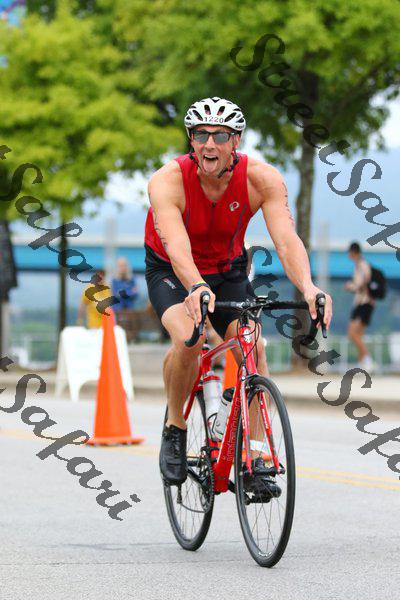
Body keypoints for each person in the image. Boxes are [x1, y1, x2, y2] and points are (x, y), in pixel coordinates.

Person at [144, 96, 332, 486]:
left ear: (236, 141)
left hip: (227, 268)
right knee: (190, 337)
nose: (209, 144)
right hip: (172, 269)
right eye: (201, 135)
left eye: (220, 135)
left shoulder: (262, 179)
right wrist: (195, 285)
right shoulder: (167, 181)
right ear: (191, 140)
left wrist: (309, 286)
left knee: (254, 347)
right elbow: (177, 246)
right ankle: (175, 428)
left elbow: (286, 241)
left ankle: (257, 457)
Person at [345, 241, 375, 370]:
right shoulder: (359, 265)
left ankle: (367, 359)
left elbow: (362, 284)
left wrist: (350, 286)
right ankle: (362, 361)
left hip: (364, 303)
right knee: (358, 334)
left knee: (352, 333)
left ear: (353, 252)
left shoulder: (362, 265)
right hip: (363, 303)